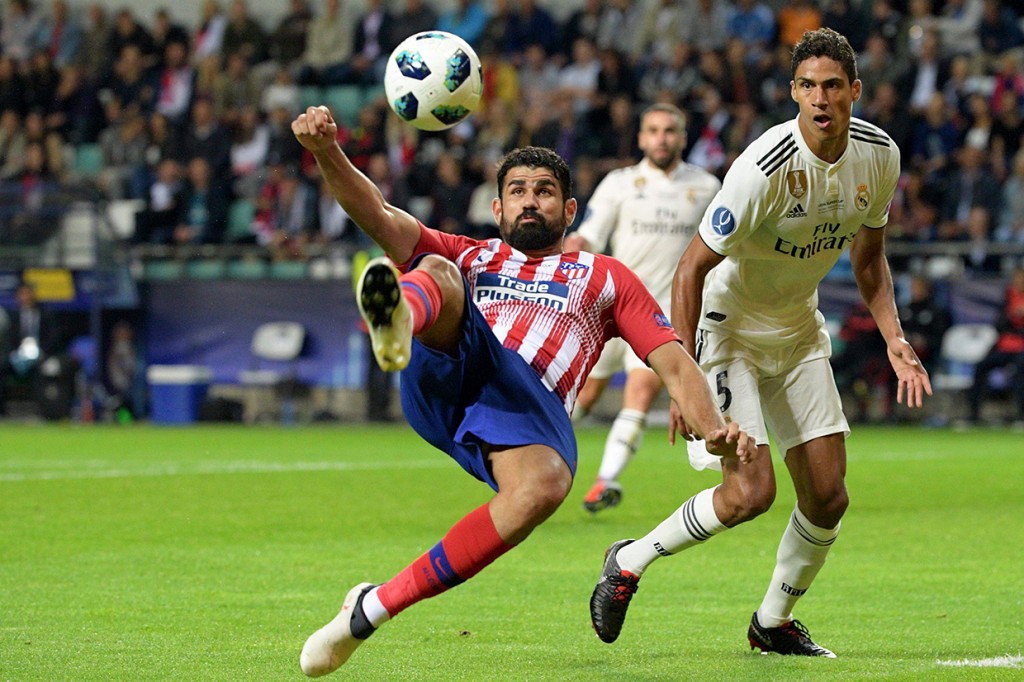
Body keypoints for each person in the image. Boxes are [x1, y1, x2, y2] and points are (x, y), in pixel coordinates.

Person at [290, 106, 752, 677]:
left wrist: (714, 433)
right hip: (453, 372)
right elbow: (378, 215)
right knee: (437, 267)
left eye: (544, 191)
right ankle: (401, 317)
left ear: (570, 210)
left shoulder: (605, 276)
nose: (530, 201)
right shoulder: (473, 254)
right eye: (517, 191)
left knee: (544, 487)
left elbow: (674, 364)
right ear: (498, 208)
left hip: (527, 404)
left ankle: (369, 609)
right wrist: (327, 151)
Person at [589, 28, 932, 658]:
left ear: (855, 90)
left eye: (833, 86)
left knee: (828, 496)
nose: (821, 98)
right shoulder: (762, 167)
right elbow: (690, 269)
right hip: (729, 331)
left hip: (798, 330)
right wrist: (683, 380)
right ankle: (629, 559)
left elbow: (869, 259)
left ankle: (772, 622)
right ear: (793, 92)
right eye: (808, 86)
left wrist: (895, 337)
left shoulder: (879, 155)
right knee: (751, 493)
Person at [564, 103, 721, 513]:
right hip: (609, 304)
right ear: (641, 138)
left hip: (660, 313)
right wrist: (575, 247)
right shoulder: (619, 183)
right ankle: (532, 453)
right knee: (586, 396)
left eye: (669, 130)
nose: (661, 138)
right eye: (653, 130)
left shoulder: (707, 187)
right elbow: (591, 235)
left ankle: (605, 481)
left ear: (683, 137)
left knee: (639, 391)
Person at [967, 267, 1024, 425]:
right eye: (1017, 279)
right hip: (1004, 346)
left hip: (1021, 347)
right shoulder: (1007, 299)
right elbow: (998, 325)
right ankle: (973, 414)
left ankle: (1021, 415)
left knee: (1021, 372)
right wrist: (1012, 315)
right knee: (981, 367)